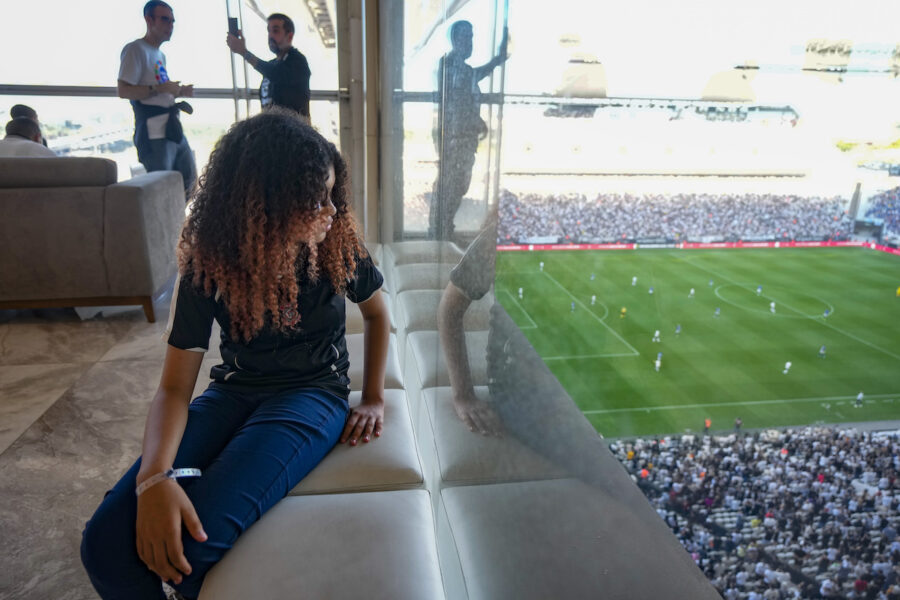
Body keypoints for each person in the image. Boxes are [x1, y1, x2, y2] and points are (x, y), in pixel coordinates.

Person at [80, 111, 390, 599]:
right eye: (316, 198)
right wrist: (153, 476)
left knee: (190, 546)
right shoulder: (211, 261)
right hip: (233, 391)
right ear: (266, 203)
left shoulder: (338, 245)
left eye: (333, 194)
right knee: (102, 546)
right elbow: (174, 388)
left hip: (312, 394)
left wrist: (372, 397)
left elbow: (376, 315)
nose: (331, 210)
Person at [429, 21, 508, 239]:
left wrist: (497, 60)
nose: (470, 41)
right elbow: (458, 102)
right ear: (456, 39)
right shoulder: (451, 65)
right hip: (457, 139)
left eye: (472, 36)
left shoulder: (461, 67)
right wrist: (476, 120)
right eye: (467, 36)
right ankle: (441, 230)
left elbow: (475, 77)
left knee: (458, 186)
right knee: (453, 186)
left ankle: (443, 228)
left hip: (462, 139)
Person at [118, 1, 196, 195]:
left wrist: (178, 91)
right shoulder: (135, 49)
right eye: (164, 19)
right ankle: (168, 225)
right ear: (148, 20)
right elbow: (124, 91)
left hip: (171, 128)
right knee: (162, 189)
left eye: (172, 21)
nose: (170, 25)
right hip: (154, 133)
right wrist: (159, 88)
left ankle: (180, 223)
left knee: (189, 181)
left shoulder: (160, 54)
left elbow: (160, 90)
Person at [226, 13, 311, 119]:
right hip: (273, 131)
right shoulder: (272, 64)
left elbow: (277, 74)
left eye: (275, 31)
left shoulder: (298, 61)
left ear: (289, 36)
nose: (270, 36)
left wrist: (244, 52)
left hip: (294, 132)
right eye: (269, 31)